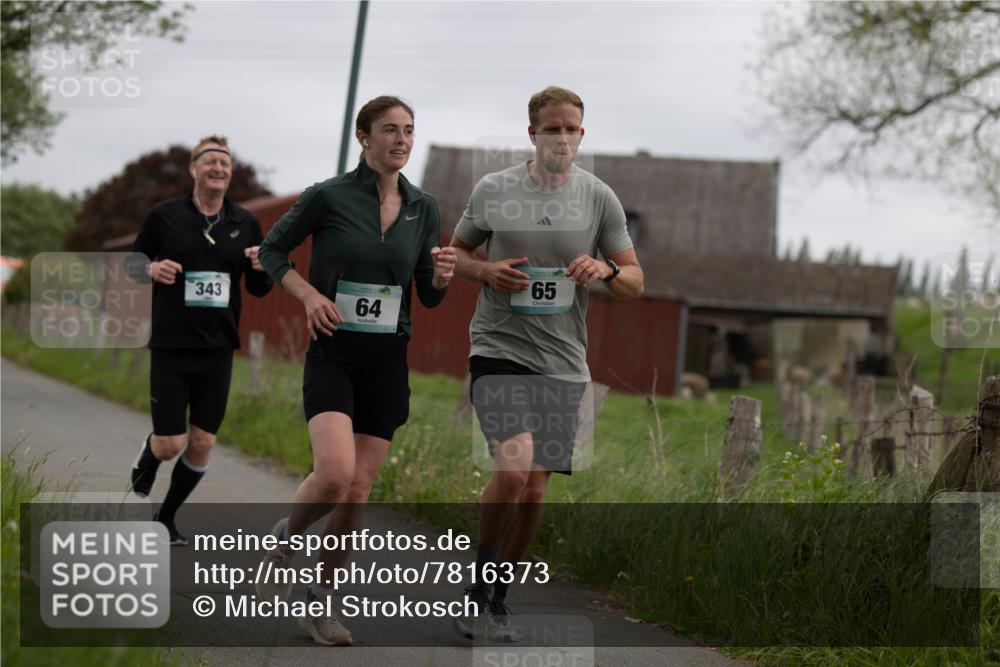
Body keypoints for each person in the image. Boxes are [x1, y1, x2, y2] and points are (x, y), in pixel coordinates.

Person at [254, 96, 456, 646]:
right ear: (363, 136)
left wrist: (441, 277)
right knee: (336, 472)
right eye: (390, 130)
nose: (402, 139)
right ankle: (287, 538)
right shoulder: (328, 195)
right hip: (333, 349)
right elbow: (272, 252)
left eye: (410, 131)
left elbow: (429, 298)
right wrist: (308, 295)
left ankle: (320, 603)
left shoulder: (425, 207)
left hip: (387, 357)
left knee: (358, 490)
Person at [448, 86, 644, 639]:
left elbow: (635, 280)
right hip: (499, 348)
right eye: (552, 128)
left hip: (563, 361)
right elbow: (456, 256)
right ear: (531, 132)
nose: (562, 137)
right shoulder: (495, 189)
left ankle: (496, 596)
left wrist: (605, 271)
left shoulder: (599, 198)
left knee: (535, 490)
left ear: (583, 134)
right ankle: (475, 589)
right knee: (512, 472)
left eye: (572, 129)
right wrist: (486, 273)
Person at [129, 135, 273, 545]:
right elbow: (132, 264)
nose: (218, 169)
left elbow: (259, 287)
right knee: (172, 442)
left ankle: (166, 518)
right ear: (194, 169)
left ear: (230, 174)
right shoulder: (165, 216)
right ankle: (151, 449)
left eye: (225, 164)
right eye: (210, 162)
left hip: (218, 348)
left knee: (203, 441)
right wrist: (152, 270)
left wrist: (262, 268)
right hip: (172, 346)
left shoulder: (245, 222)